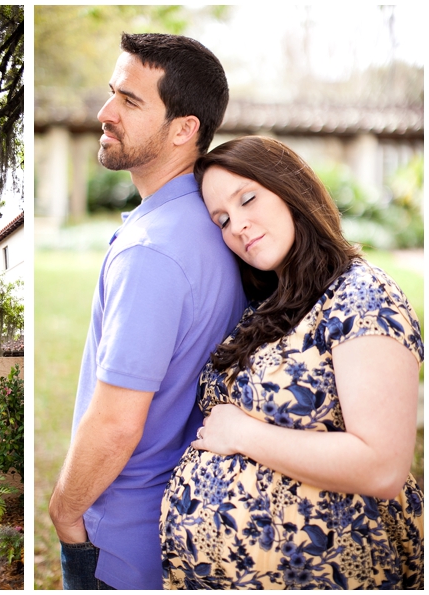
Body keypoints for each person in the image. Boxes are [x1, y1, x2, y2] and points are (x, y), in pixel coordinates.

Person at [160, 135, 424, 589]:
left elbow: (382, 466)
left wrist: (243, 434)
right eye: (222, 219)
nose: (237, 225)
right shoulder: (266, 305)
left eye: (247, 200)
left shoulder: (360, 294)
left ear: (290, 188)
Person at [48, 33, 247, 590]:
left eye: (131, 102)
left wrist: (65, 514)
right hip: (178, 529)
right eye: (112, 92)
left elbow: (115, 423)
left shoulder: (153, 252)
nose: (105, 112)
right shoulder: (212, 227)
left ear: (185, 129)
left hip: (122, 542)